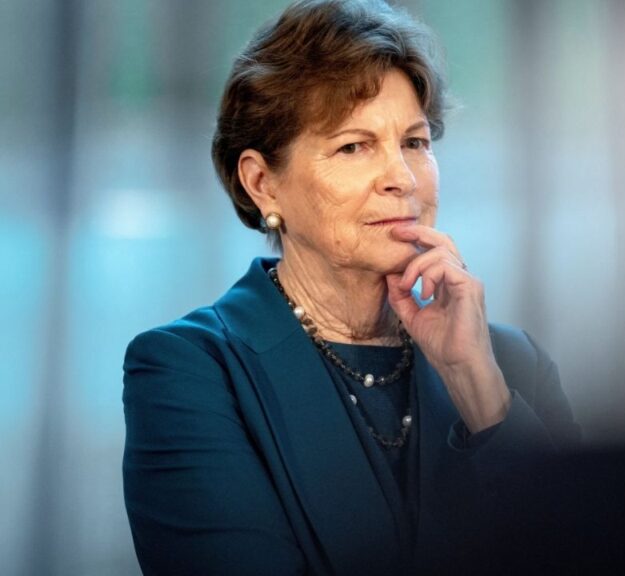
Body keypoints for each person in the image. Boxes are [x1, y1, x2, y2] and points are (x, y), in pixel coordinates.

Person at [121, 1, 581, 574]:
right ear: (262, 184)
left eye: (414, 142)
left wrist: (478, 389)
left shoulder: (512, 364)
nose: (402, 179)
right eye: (353, 146)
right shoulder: (189, 371)